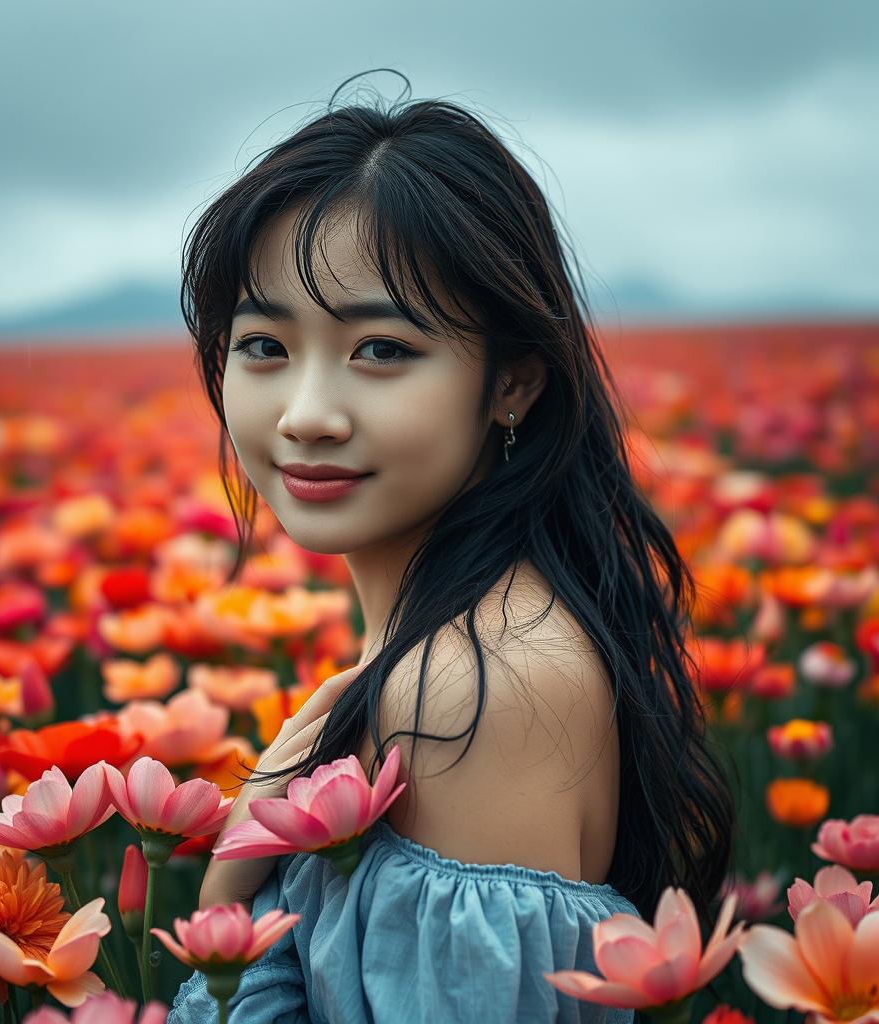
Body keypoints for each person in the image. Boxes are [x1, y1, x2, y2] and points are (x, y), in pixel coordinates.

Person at [168, 68, 735, 1024]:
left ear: (512, 382)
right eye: (263, 344)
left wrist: (228, 910)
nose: (306, 416)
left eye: (381, 349)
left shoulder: (479, 682)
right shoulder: (456, 637)